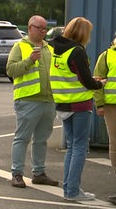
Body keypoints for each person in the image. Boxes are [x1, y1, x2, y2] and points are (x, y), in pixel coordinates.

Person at [49, 17, 106, 201]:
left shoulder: (55, 49)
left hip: (63, 104)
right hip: (80, 104)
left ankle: (69, 189)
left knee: (72, 147)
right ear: (83, 33)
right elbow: (86, 81)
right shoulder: (77, 52)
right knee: (80, 147)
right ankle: (73, 191)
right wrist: (99, 83)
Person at [6, 15, 59, 188]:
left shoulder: (49, 48)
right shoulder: (20, 46)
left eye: (45, 28)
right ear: (30, 28)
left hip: (48, 100)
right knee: (22, 138)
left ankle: (39, 172)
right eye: (40, 28)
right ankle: (17, 173)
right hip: (28, 100)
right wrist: (29, 61)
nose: (43, 31)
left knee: (42, 139)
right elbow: (11, 70)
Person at [94, 34, 116, 205]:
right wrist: (99, 104)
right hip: (111, 107)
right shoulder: (107, 55)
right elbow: (98, 80)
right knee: (115, 146)